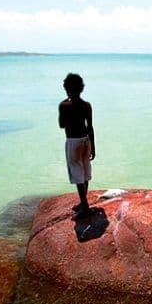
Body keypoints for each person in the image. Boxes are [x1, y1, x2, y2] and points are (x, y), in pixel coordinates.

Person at [58, 73, 95, 219]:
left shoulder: (64, 105)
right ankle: (83, 202)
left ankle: (85, 207)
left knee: (77, 172)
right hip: (86, 140)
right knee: (85, 170)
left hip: (73, 141)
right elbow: (90, 126)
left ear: (67, 88)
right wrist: (94, 146)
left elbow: (61, 125)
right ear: (81, 88)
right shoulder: (86, 105)